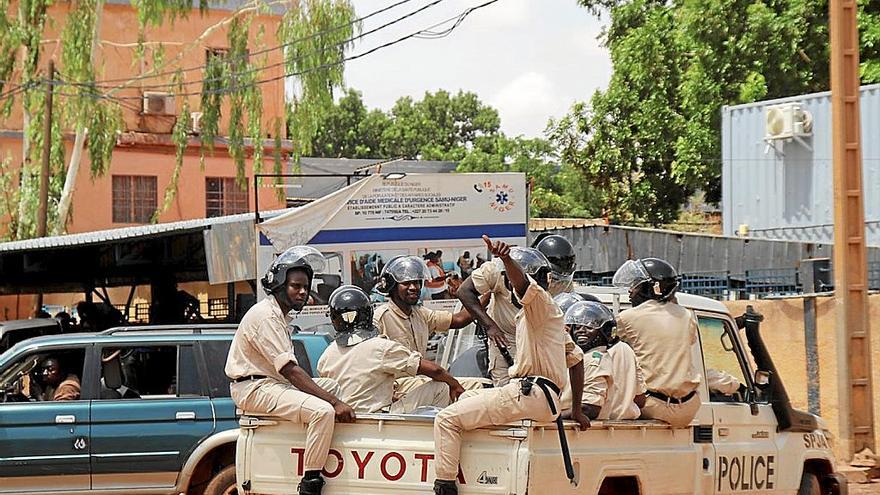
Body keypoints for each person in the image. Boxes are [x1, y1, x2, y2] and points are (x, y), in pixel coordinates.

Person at [432, 236, 588, 495]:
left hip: (529, 392)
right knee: (468, 398)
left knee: (446, 419)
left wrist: (505, 258)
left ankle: (445, 485)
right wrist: (577, 410)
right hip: (543, 397)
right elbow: (576, 358)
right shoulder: (542, 315)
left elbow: (523, 283)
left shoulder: (538, 301)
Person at [225, 245, 356, 495]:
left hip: (270, 385)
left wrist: (334, 397)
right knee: (323, 411)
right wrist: (334, 403)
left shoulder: (280, 316)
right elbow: (290, 371)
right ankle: (310, 482)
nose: (303, 292)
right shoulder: (266, 316)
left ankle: (319, 444)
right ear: (279, 284)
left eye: (306, 287)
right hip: (255, 388)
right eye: (296, 286)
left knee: (333, 386)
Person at [318, 285, 465, 414]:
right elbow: (436, 371)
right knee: (441, 386)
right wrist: (454, 385)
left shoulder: (326, 355)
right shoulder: (380, 346)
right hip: (380, 417)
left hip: (351, 417)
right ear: (368, 313)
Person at [373, 256, 483, 395]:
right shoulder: (380, 318)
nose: (413, 287)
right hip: (394, 389)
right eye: (406, 283)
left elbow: (459, 320)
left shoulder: (420, 314)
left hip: (417, 384)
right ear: (392, 286)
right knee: (446, 387)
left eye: (417, 283)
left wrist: (489, 292)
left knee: (477, 385)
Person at [612, 257, 701, 428]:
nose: (630, 291)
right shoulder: (686, 316)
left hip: (652, 406)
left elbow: (608, 346)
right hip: (690, 406)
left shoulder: (628, 317)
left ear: (653, 288)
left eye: (635, 285)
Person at [562, 301, 646, 420]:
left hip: (585, 431)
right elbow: (641, 399)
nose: (581, 331)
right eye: (577, 327)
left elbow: (590, 408)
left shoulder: (593, 359)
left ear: (604, 332)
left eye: (590, 327)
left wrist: (555, 417)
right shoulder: (584, 357)